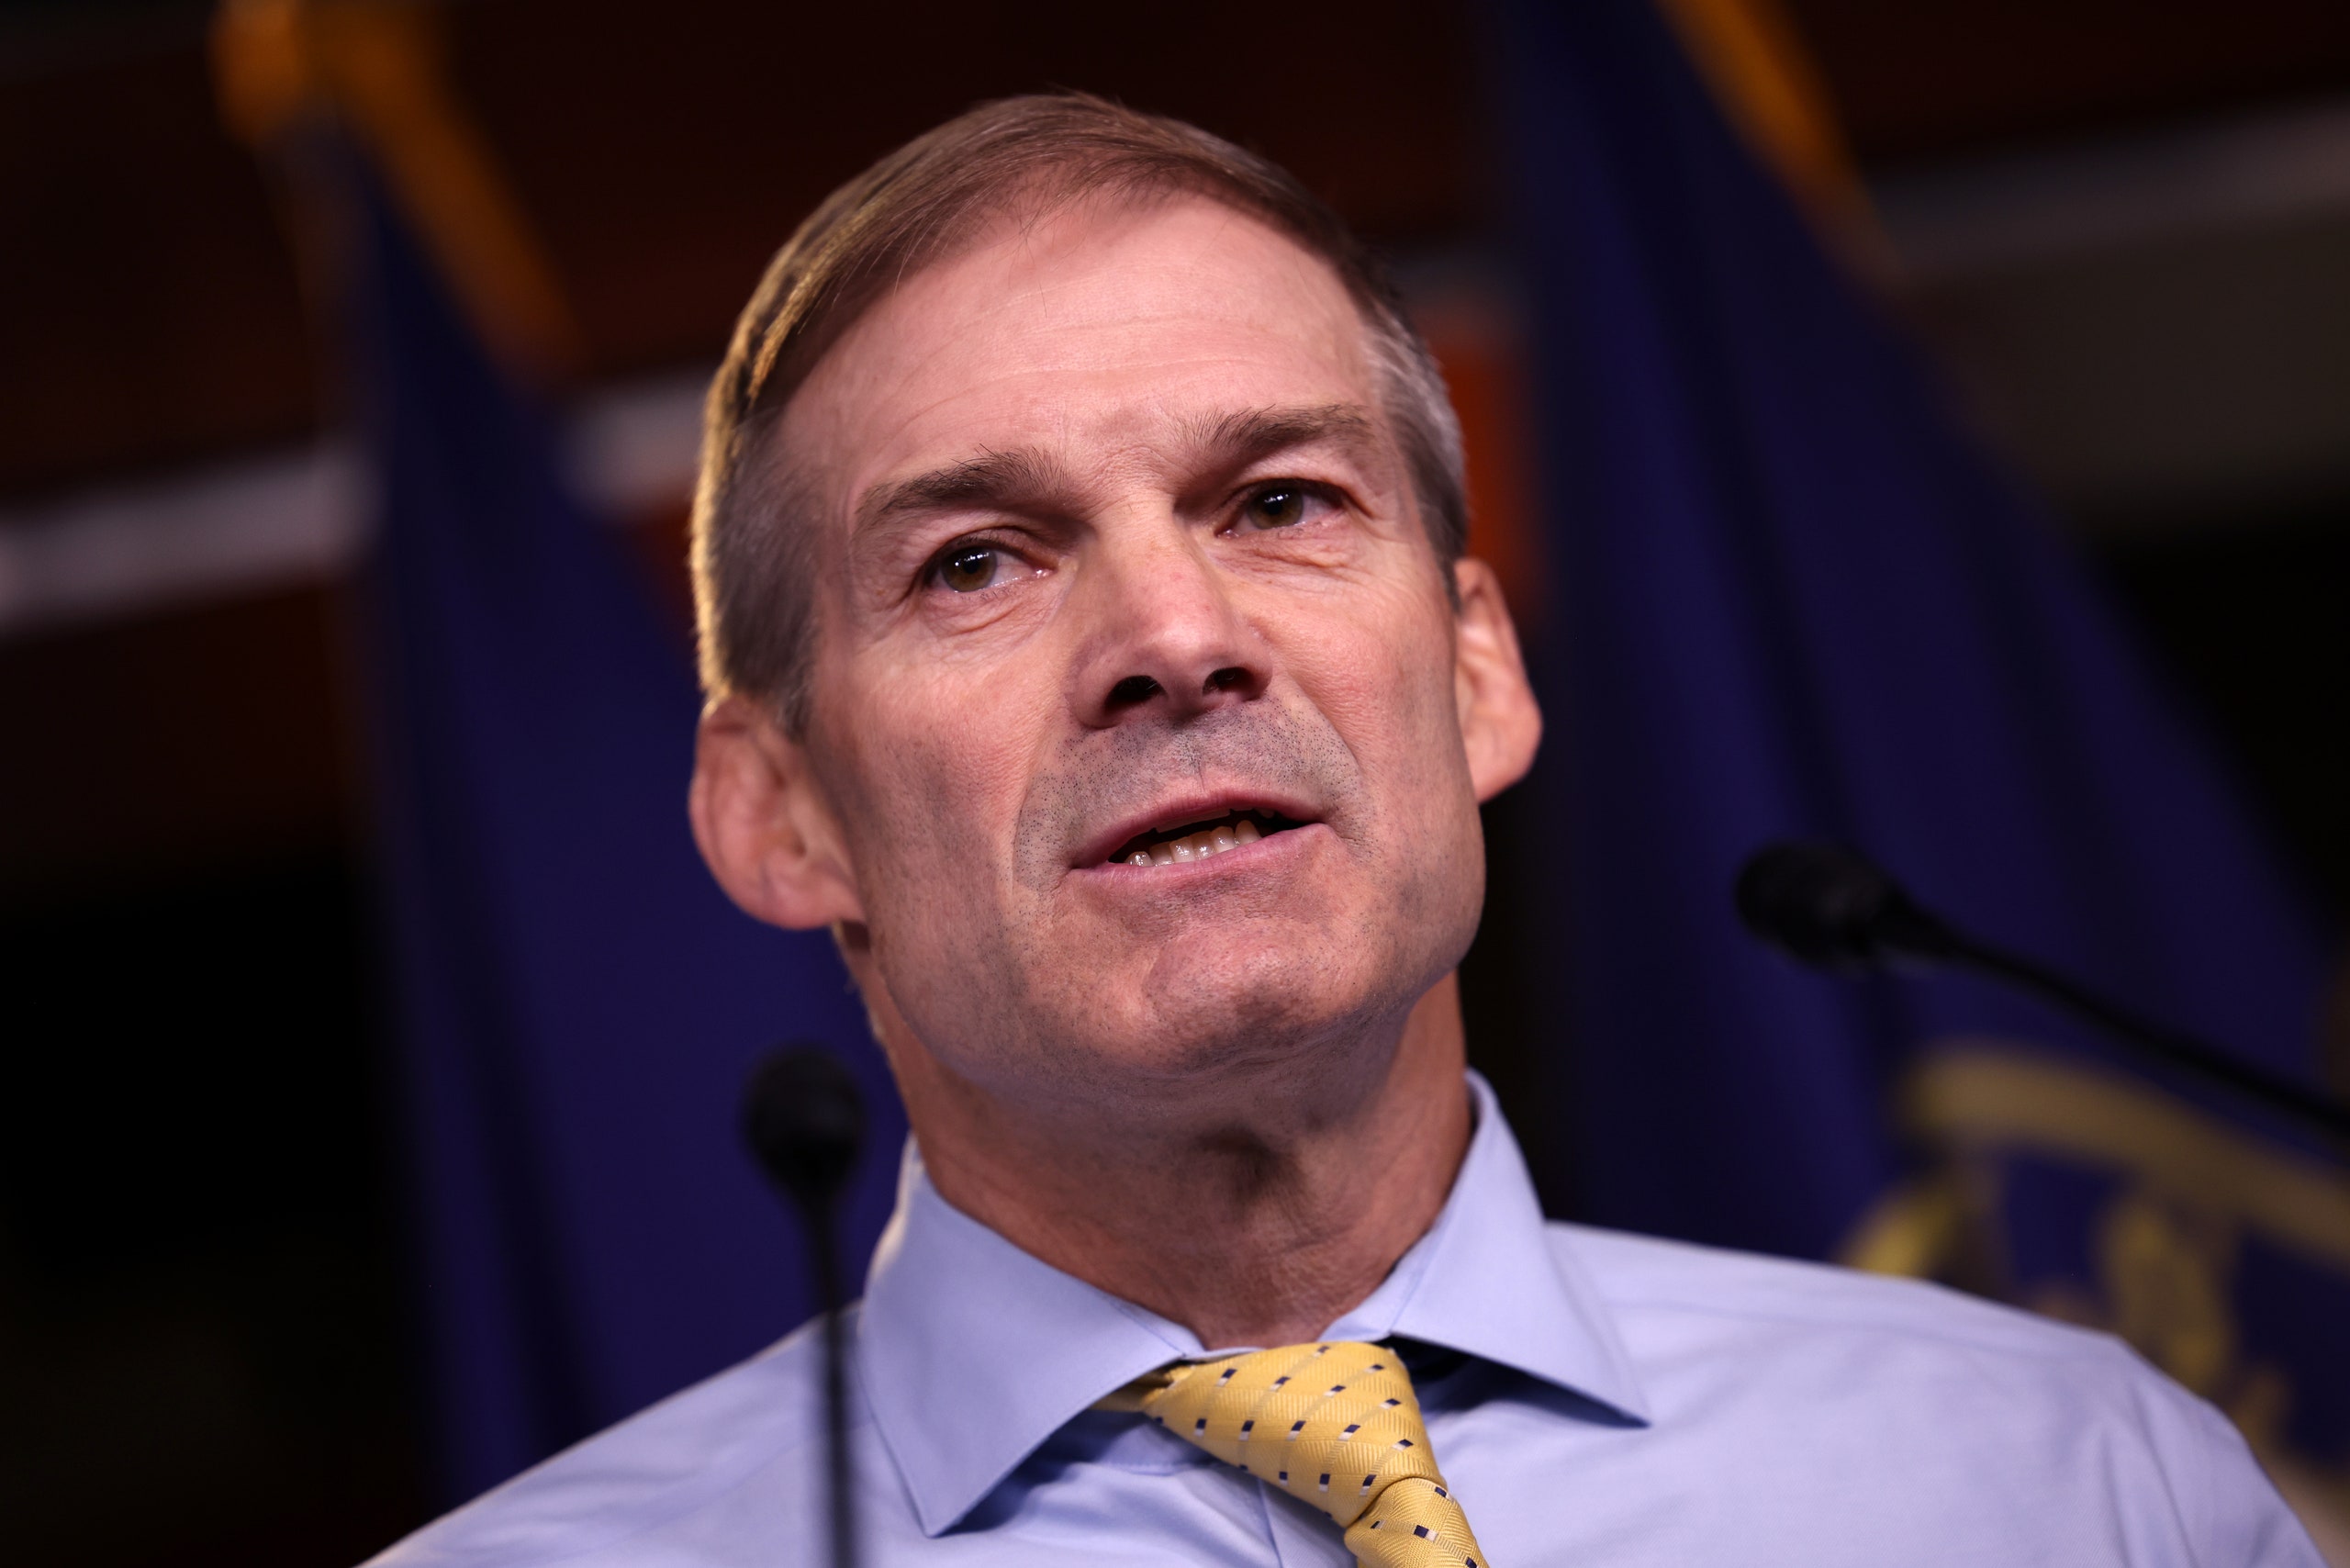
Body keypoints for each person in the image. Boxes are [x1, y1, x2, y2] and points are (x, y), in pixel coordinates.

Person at [368, 94, 2322, 1566]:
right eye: (977, 559)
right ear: (776, 813)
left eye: (1280, 503)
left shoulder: (2067, 1481)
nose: (1174, 637)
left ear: (1473, 672)